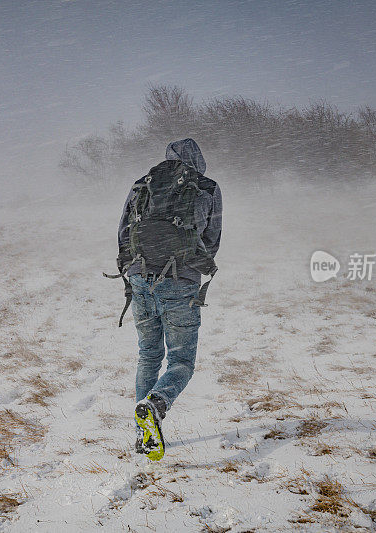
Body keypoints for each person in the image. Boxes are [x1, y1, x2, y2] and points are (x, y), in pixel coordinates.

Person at [114, 138, 222, 460]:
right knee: (182, 361)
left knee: (148, 356)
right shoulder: (206, 188)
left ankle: (141, 436)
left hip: (139, 277)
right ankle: (156, 404)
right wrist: (195, 265)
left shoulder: (141, 185)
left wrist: (134, 270)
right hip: (180, 281)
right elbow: (212, 239)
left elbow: (123, 233)